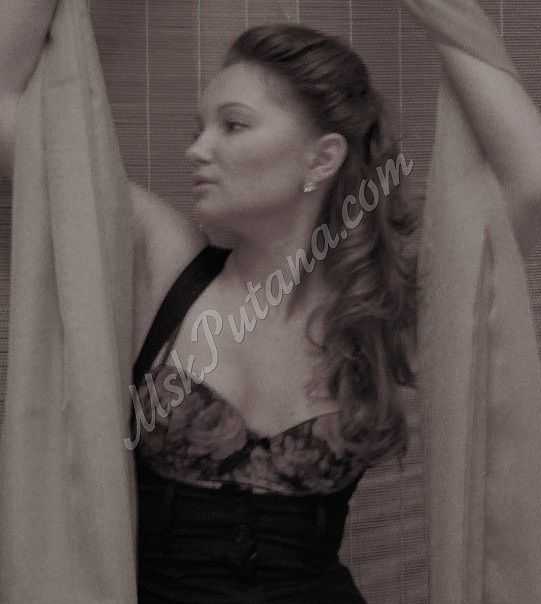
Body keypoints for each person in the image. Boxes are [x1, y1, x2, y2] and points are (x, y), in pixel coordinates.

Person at [1, 3, 541, 604]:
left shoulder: (384, 306)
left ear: (322, 158)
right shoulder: (162, 262)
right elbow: (5, 105)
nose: (196, 149)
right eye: (197, 128)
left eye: (232, 125)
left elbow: (531, 175)